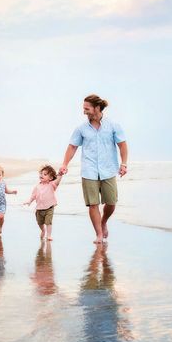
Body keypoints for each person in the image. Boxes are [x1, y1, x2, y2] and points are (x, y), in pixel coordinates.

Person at [58, 94, 127, 245]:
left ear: (97, 108)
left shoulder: (113, 125)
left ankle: (104, 221)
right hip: (89, 171)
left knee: (111, 202)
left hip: (108, 169)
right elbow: (72, 146)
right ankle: (99, 234)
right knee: (93, 204)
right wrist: (65, 164)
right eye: (84, 108)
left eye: (86, 108)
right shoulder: (81, 128)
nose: (84, 111)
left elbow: (122, 145)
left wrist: (124, 164)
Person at [24, 164, 63, 242]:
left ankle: (49, 236)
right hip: (39, 209)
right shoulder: (37, 186)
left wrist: (60, 174)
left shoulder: (51, 184)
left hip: (49, 207)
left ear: (50, 178)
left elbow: (57, 181)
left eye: (45, 174)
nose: (42, 175)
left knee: (48, 222)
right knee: (40, 222)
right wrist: (29, 201)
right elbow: (33, 195)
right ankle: (43, 230)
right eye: (41, 173)